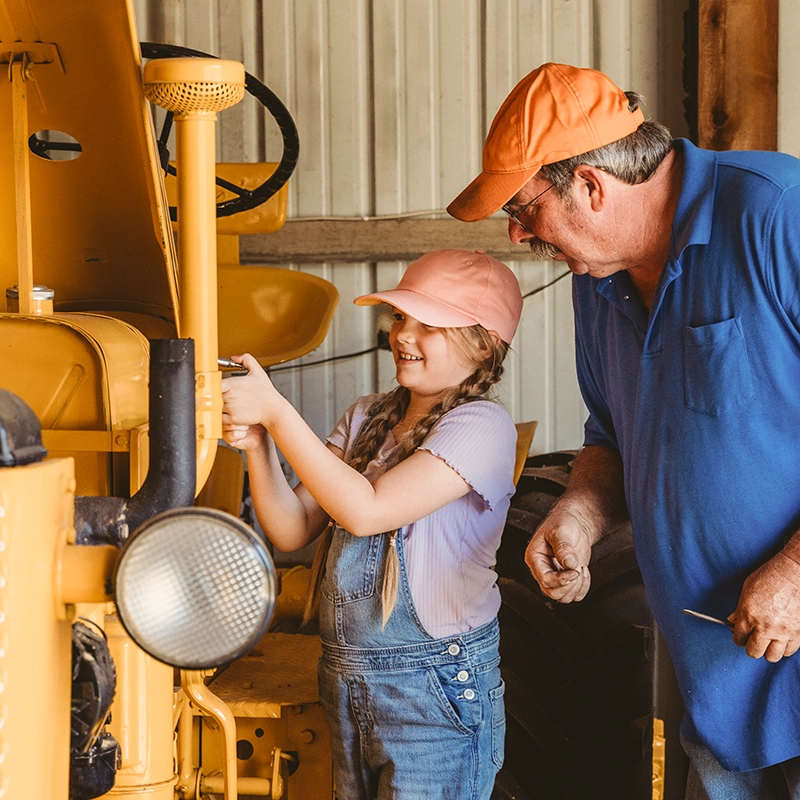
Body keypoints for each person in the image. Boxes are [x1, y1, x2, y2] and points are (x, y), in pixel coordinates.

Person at [447, 61, 800, 798]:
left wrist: (797, 572)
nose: (517, 234)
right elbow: (611, 434)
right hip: (711, 666)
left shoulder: (776, 213)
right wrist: (579, 514)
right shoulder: (597, 282)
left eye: (523, 208)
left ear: (591, 186)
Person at [221, 248, 523, 800]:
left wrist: (277, 412)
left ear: (481, 345)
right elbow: (290, 530)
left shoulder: (482, 427)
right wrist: (259, 445)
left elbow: (365, 511)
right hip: (346, 682)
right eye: (401, 317)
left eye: (428, 324)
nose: (403, 335)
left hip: (434, 693)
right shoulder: (366, 417)